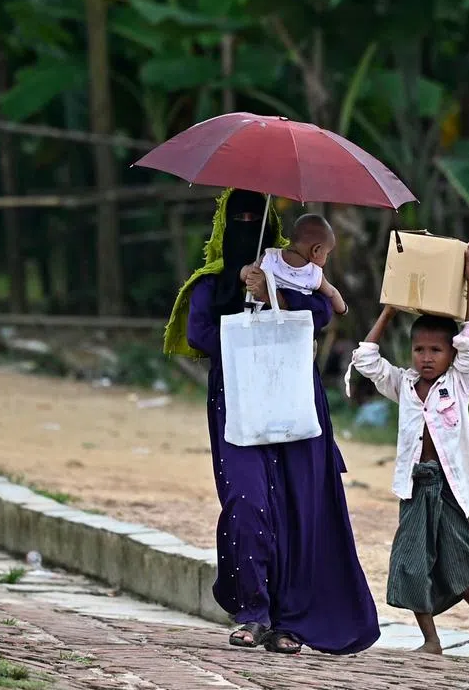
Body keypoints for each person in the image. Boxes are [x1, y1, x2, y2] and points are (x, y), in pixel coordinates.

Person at [162, 188, 379, 655]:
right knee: (246, 499)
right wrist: (242, 305)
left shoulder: (294, 273)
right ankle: (253, 611)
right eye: (236, 219)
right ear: (224, 226)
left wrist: (273, 293)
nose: (245, 225)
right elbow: (200, 333)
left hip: (295, 400)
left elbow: (322, 313)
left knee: (299, 507)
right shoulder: (211, 282)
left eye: (253, 218)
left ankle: (289, 621)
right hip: (237, 401)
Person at [351, 245, 469, 657]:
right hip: (415, 486)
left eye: (436, 350)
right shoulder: (404, 385)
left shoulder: (459, 382)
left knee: (455, 558)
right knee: (410, 562)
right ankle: (431, 639)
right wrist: (390, 311)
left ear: (449, 355)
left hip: (450, 487)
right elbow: (366, 359)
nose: (427, 358)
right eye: (419, 350)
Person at [246, 213, 348, 316]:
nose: (327, 257)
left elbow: (248, 273)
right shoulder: (314, 273)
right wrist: (343, 309)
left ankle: (270, 297)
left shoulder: (270, 256)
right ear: (316, 250)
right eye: (327, 253)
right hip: (293, 320)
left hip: (261, 315)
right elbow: (332, 293)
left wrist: (246, 273)